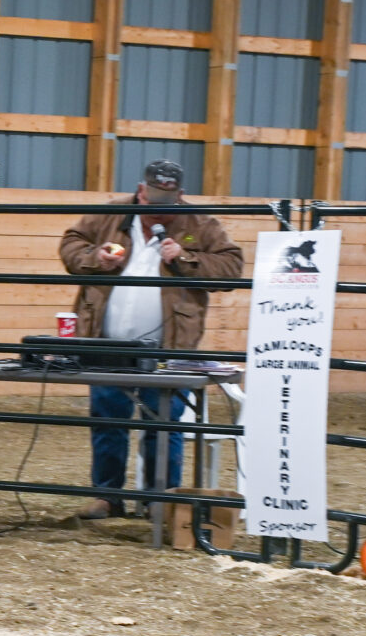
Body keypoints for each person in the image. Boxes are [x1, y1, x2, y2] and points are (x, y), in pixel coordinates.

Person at [57, 158, 243, 520]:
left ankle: (160, 501)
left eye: (167, 202)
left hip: (168, 348)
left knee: (163, 423)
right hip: (106, 343)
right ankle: (107, 496)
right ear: (140, 192)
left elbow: (231, 267)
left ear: (180, 196)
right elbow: (70, 244)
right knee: (108, 420)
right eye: (152, 199)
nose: (159, 209)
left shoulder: (200, 225)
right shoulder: (109, 216)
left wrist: (186, 258)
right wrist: (95, 258)